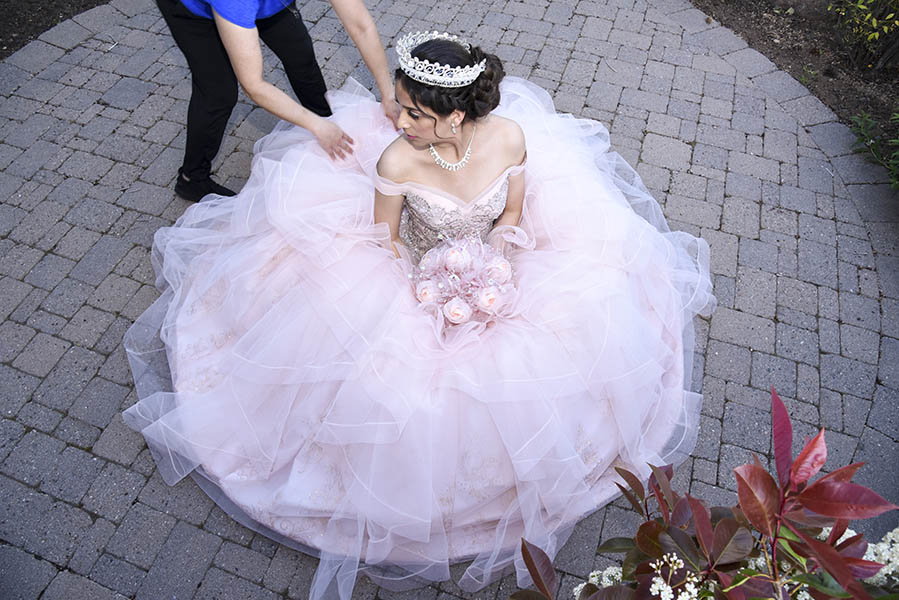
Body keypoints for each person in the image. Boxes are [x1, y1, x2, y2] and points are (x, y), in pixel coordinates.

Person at [123, 31, 715, 600]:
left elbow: (513, 206)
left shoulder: (509, 138)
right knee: (394, 384)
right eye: (400, 108)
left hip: (490, 261)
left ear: (454, 116)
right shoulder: (398, 161)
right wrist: (425, 290)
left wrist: (501, 254)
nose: (399, 121)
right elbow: (386, 241)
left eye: (412, 112)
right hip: (418, 267)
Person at [156, 0, 399, 201]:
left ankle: (331, 127)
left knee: (299, 52)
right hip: (191, 10)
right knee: (218, 93)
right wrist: (315, 126)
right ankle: (192, 178)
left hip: (259, 4)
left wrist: (388, 94)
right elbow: (254, 85)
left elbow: (361, 25)